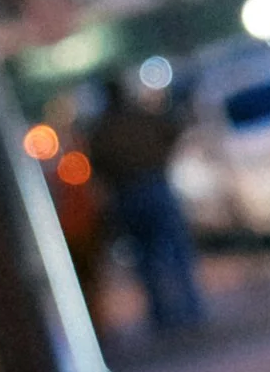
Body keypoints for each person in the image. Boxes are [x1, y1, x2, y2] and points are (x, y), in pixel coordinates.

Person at [86, 69, 205, 334]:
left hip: (127, 194)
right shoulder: (139, 118)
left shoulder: (102, 129)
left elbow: (96, 165)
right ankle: (191, 310)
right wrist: (160, 159)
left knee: (147, 257)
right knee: (176, 251)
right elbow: (172, 131)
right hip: (153, 186)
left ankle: (164, 315)